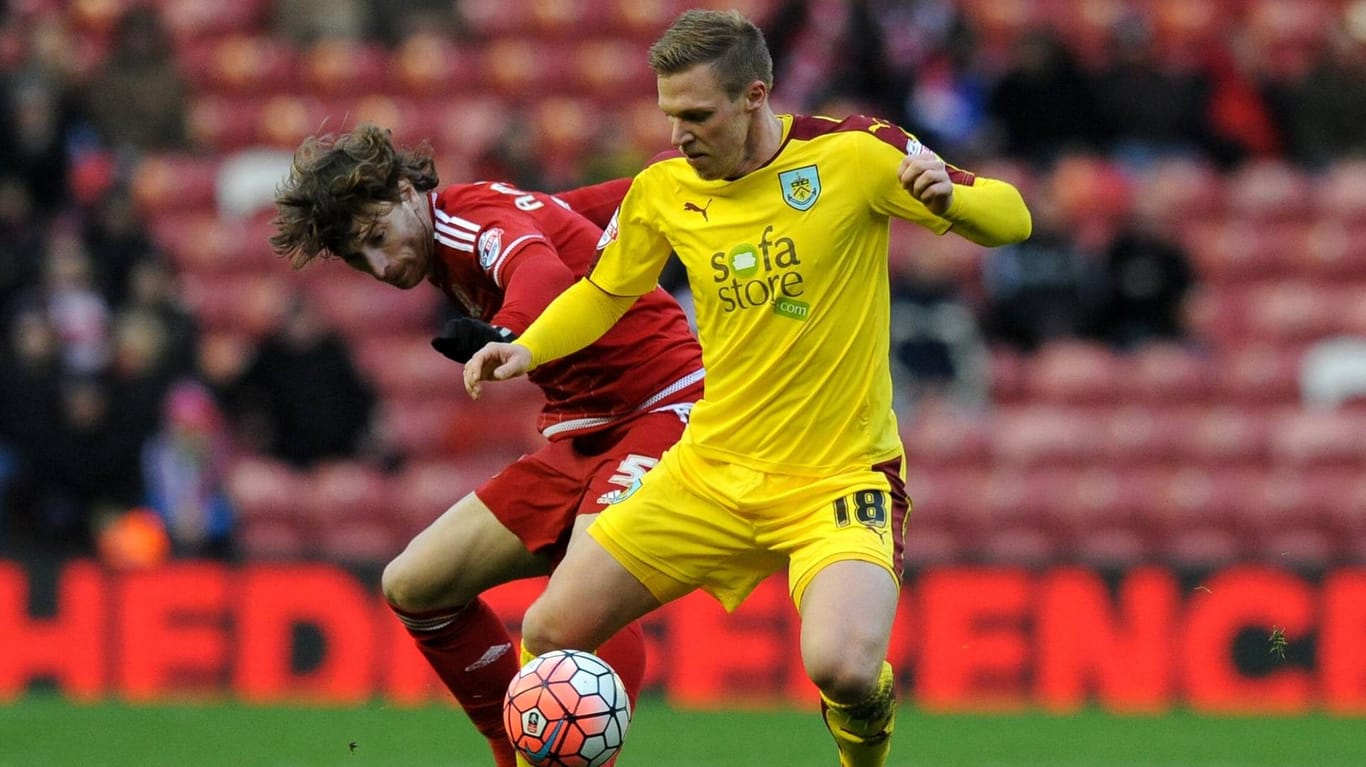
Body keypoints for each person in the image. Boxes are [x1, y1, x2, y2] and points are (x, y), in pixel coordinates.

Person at [463, 10, 1031, 767]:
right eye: (669, 116)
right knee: (549, 630)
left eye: (697, 116)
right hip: (707, 474)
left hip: (836, 477)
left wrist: (949, 198)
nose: (677, 136)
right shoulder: (666, 190)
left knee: (844, 668)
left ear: (754, 95)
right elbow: (605, 292)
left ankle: (865, 749)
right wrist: (525, 346)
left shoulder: (855, 155)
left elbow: (1014, 216)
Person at [268, 124, 704, 767]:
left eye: (377, 238)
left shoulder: (463, 224)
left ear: (407, 190)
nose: (382, 268)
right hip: (580, 433)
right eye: (361, 258)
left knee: (575, 607)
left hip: (661, 406)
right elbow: (571, 214)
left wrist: (510, 330)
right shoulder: (476, 218)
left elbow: (537, 267)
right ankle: (518, 750)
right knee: (416, 583)